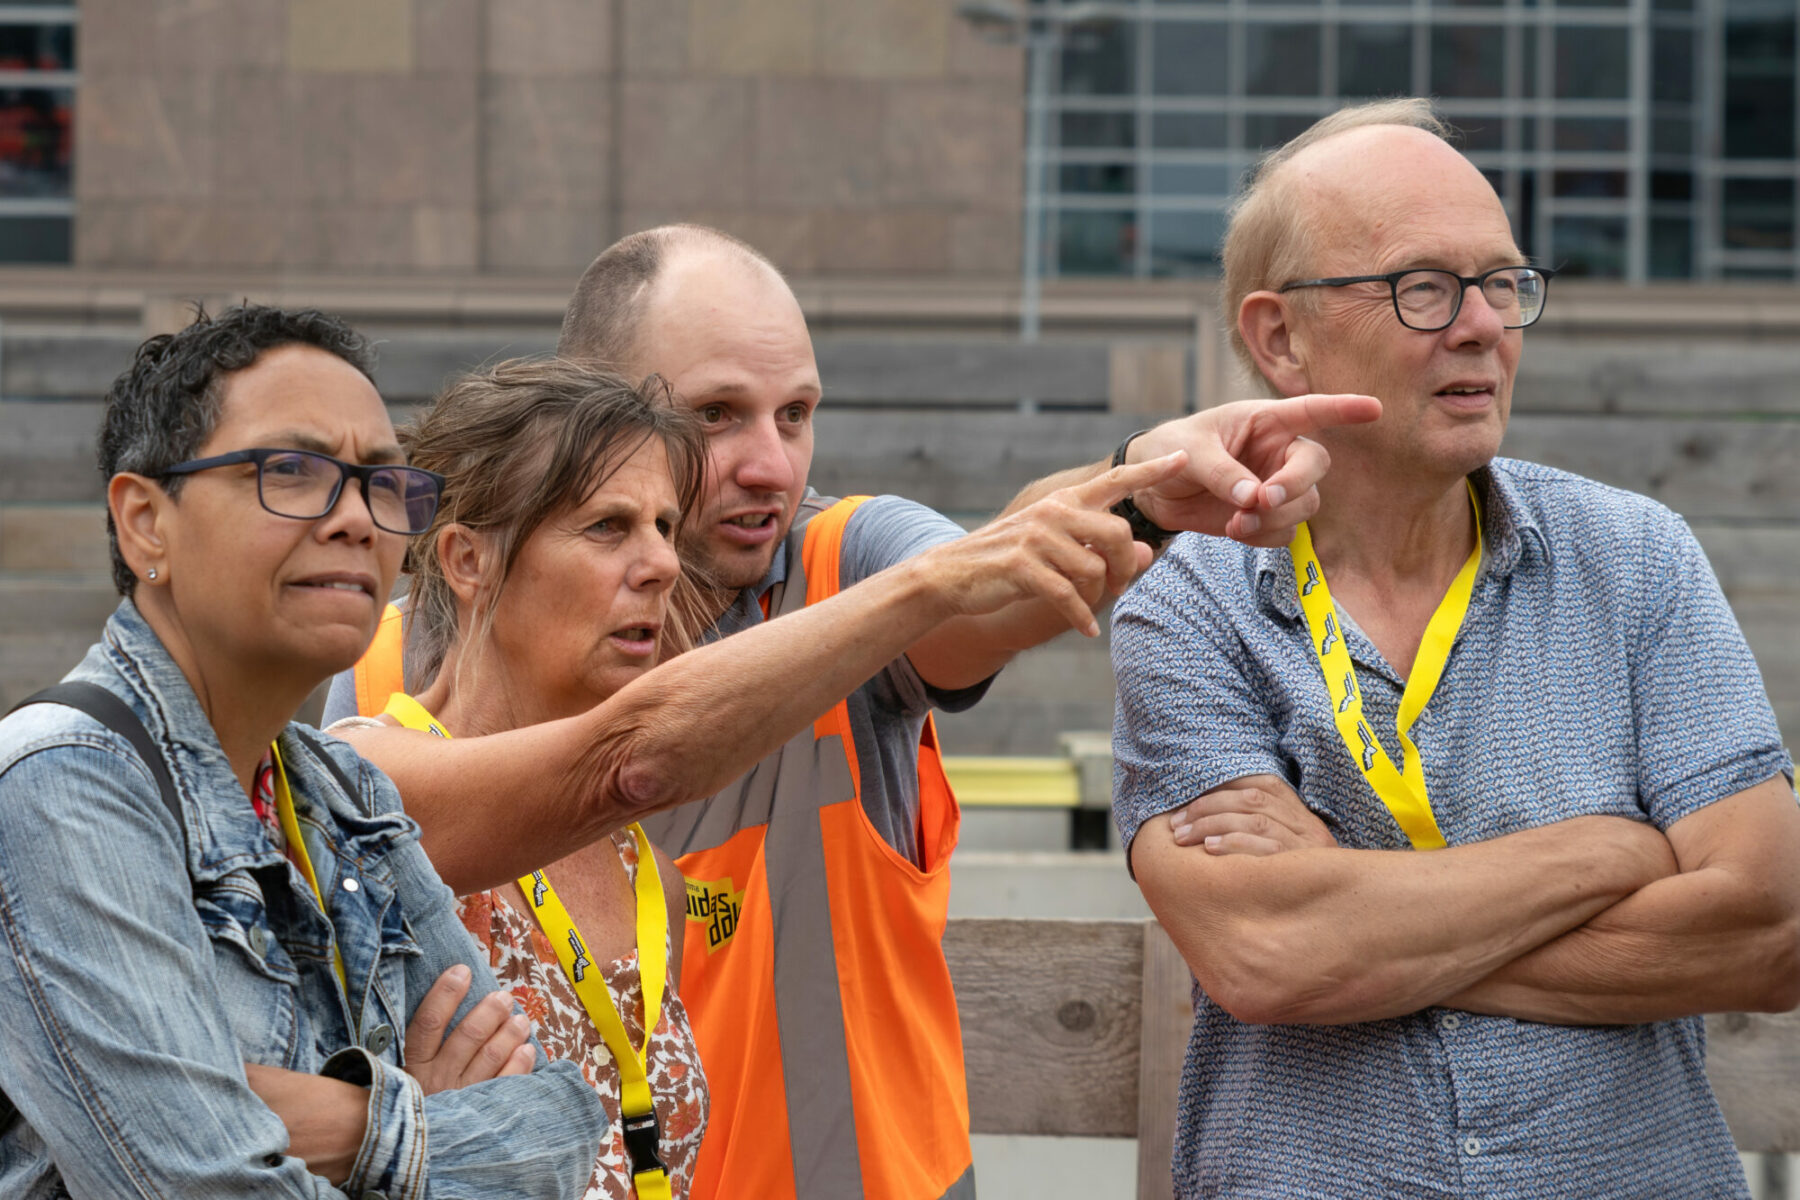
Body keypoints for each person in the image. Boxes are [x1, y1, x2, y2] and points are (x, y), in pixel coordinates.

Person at [324, 224, 1381, 1200]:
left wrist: (1135, 494)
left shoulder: (849, 565)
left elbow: (988, 575)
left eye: (798, 414)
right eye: (716, 416)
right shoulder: (373, 678)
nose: (773, 464)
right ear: (606, 412)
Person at [1112, 98, 1800, 1199]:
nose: (1481, 324)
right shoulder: (1187, 600)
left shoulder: (1637, 558)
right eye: (1421, 287)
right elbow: (1268, 956)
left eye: (1502, 282)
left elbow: (1770, 930)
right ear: (1279, 336)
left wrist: (1363, 914)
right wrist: (1616, 852)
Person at [0, 305, 605, 1197]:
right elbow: (202, 1184)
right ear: (144, 524)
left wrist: (353, 1125)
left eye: (381, 483)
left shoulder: (345, 790)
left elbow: (561, 1134)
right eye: (292, 470)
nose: (357, 519)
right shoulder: (64, 784)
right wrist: (423, 1119)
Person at [329, 359, 720, 1199]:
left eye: (665, 526)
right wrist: (409, 1144)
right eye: (609, 527)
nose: (661, 564)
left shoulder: (643, 868)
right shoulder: (369, 783)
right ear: (468, 560)